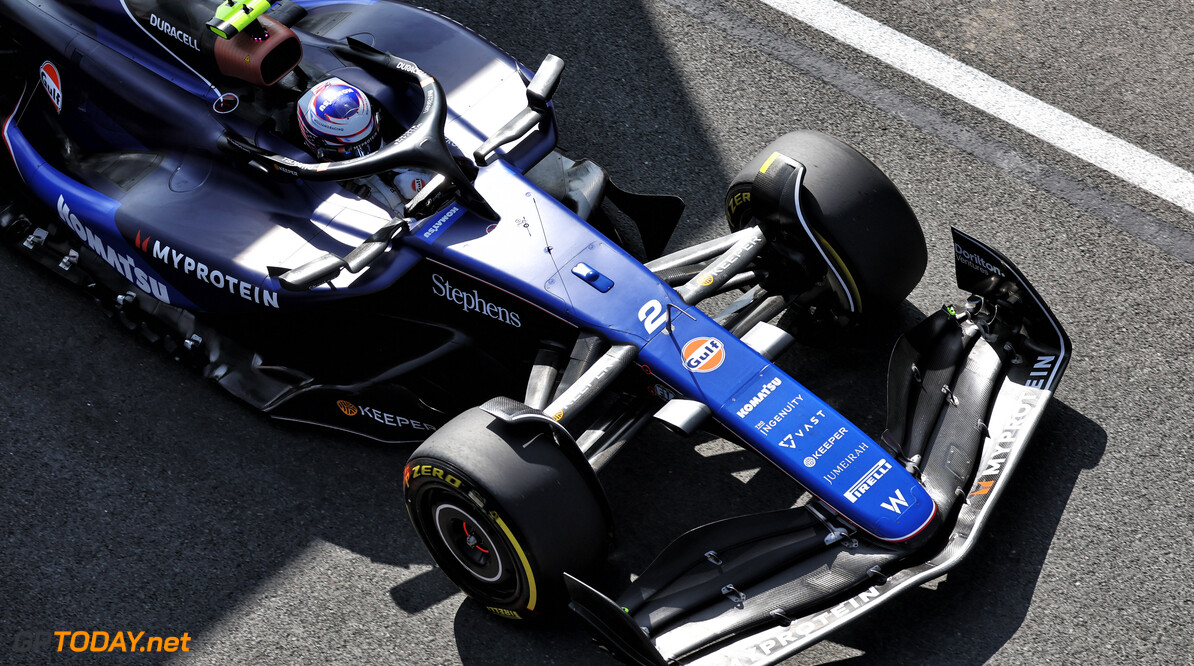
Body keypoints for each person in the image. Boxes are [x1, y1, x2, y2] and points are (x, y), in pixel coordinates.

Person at [296, 77, 433, 212]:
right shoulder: (330, 196)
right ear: (320, 149)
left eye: (370, 141)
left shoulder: (410, 146)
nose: (366, 155)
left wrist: (429, 182)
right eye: (349, 150)